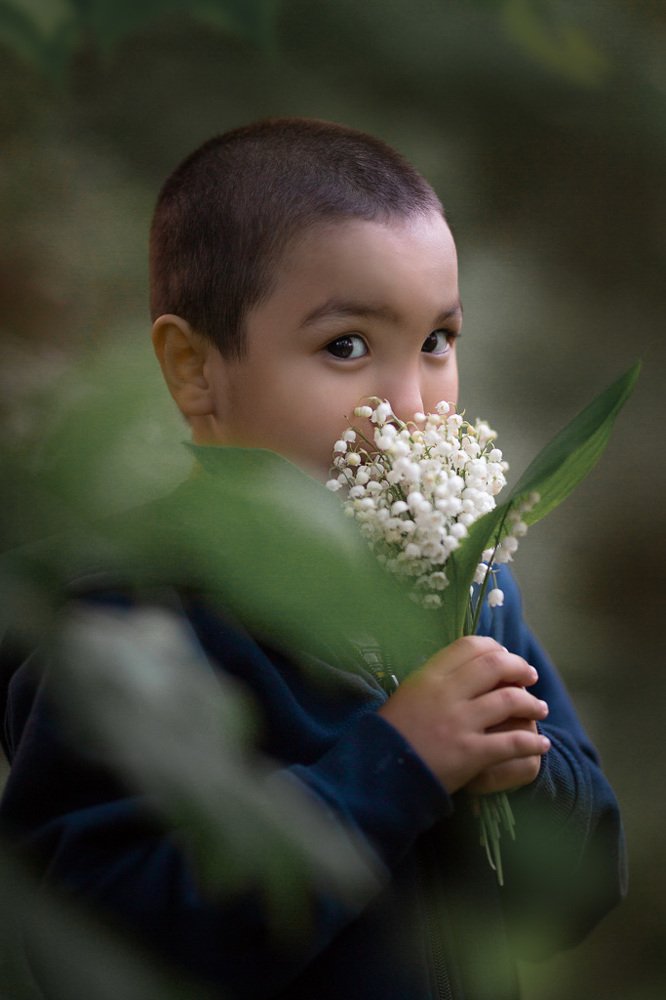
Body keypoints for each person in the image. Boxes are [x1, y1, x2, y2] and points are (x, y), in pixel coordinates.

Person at [0, 119, 626, 999]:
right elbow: (108, 950)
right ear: (193, 369)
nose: (409, 408)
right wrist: (397, 762)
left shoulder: (464, 585)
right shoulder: (121, 621)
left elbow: (582, 891)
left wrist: (523, 779)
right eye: (346, 347)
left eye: (438, 341)